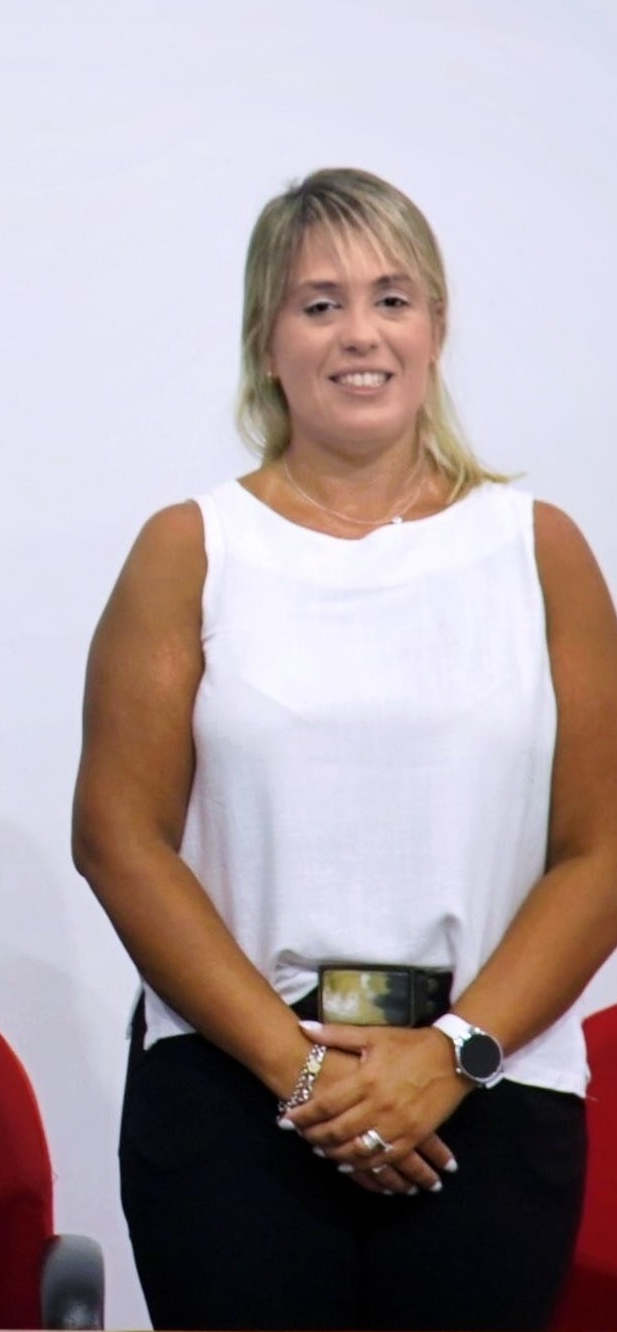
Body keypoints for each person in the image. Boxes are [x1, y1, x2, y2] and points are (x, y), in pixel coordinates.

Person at [73, 167, 617, 1330]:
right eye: (318, 304)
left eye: (390, 298)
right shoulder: (191, 548)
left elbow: (601, 852)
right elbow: (119, 839)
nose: (358, 333)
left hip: (488, 1090)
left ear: (435, 328)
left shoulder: (539, 549)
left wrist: (449, 1054)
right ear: (265, 342)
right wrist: (301, 1068)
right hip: (235, 1091)